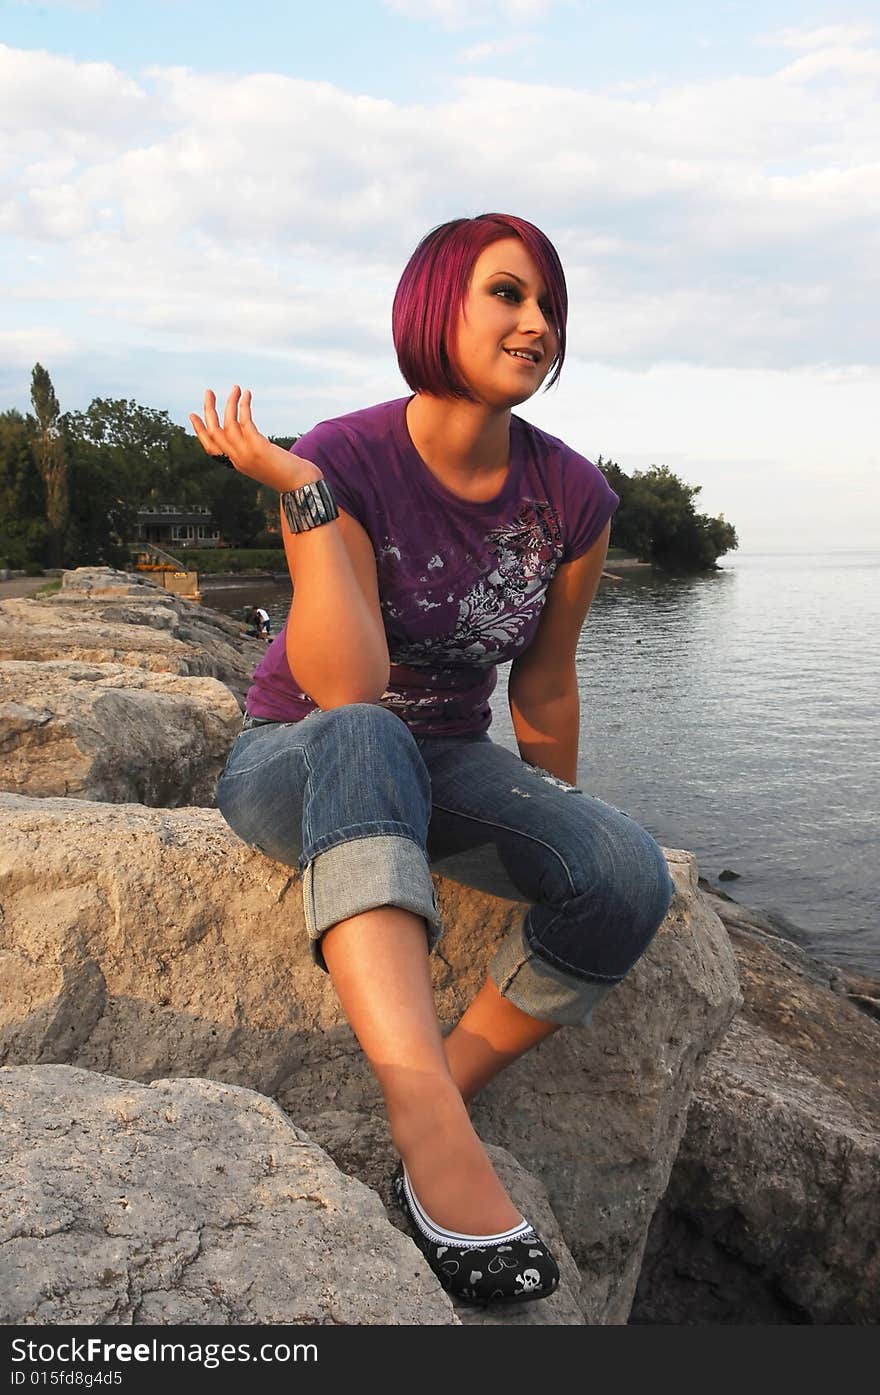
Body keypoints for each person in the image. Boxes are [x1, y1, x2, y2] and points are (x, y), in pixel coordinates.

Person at [189, 213, 673, 1307]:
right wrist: (303, 495)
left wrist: (564, 827)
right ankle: (425, 1126)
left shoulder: (572, 497)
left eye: (549, 304)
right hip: (302, 755)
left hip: (447, 758)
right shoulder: (344, 458)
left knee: (626, 876)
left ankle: (444, 1091)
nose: (536, 322)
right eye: (508, 295)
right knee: (369, 728)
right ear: (435, 306)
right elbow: (345, 685)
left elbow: (544, 685)